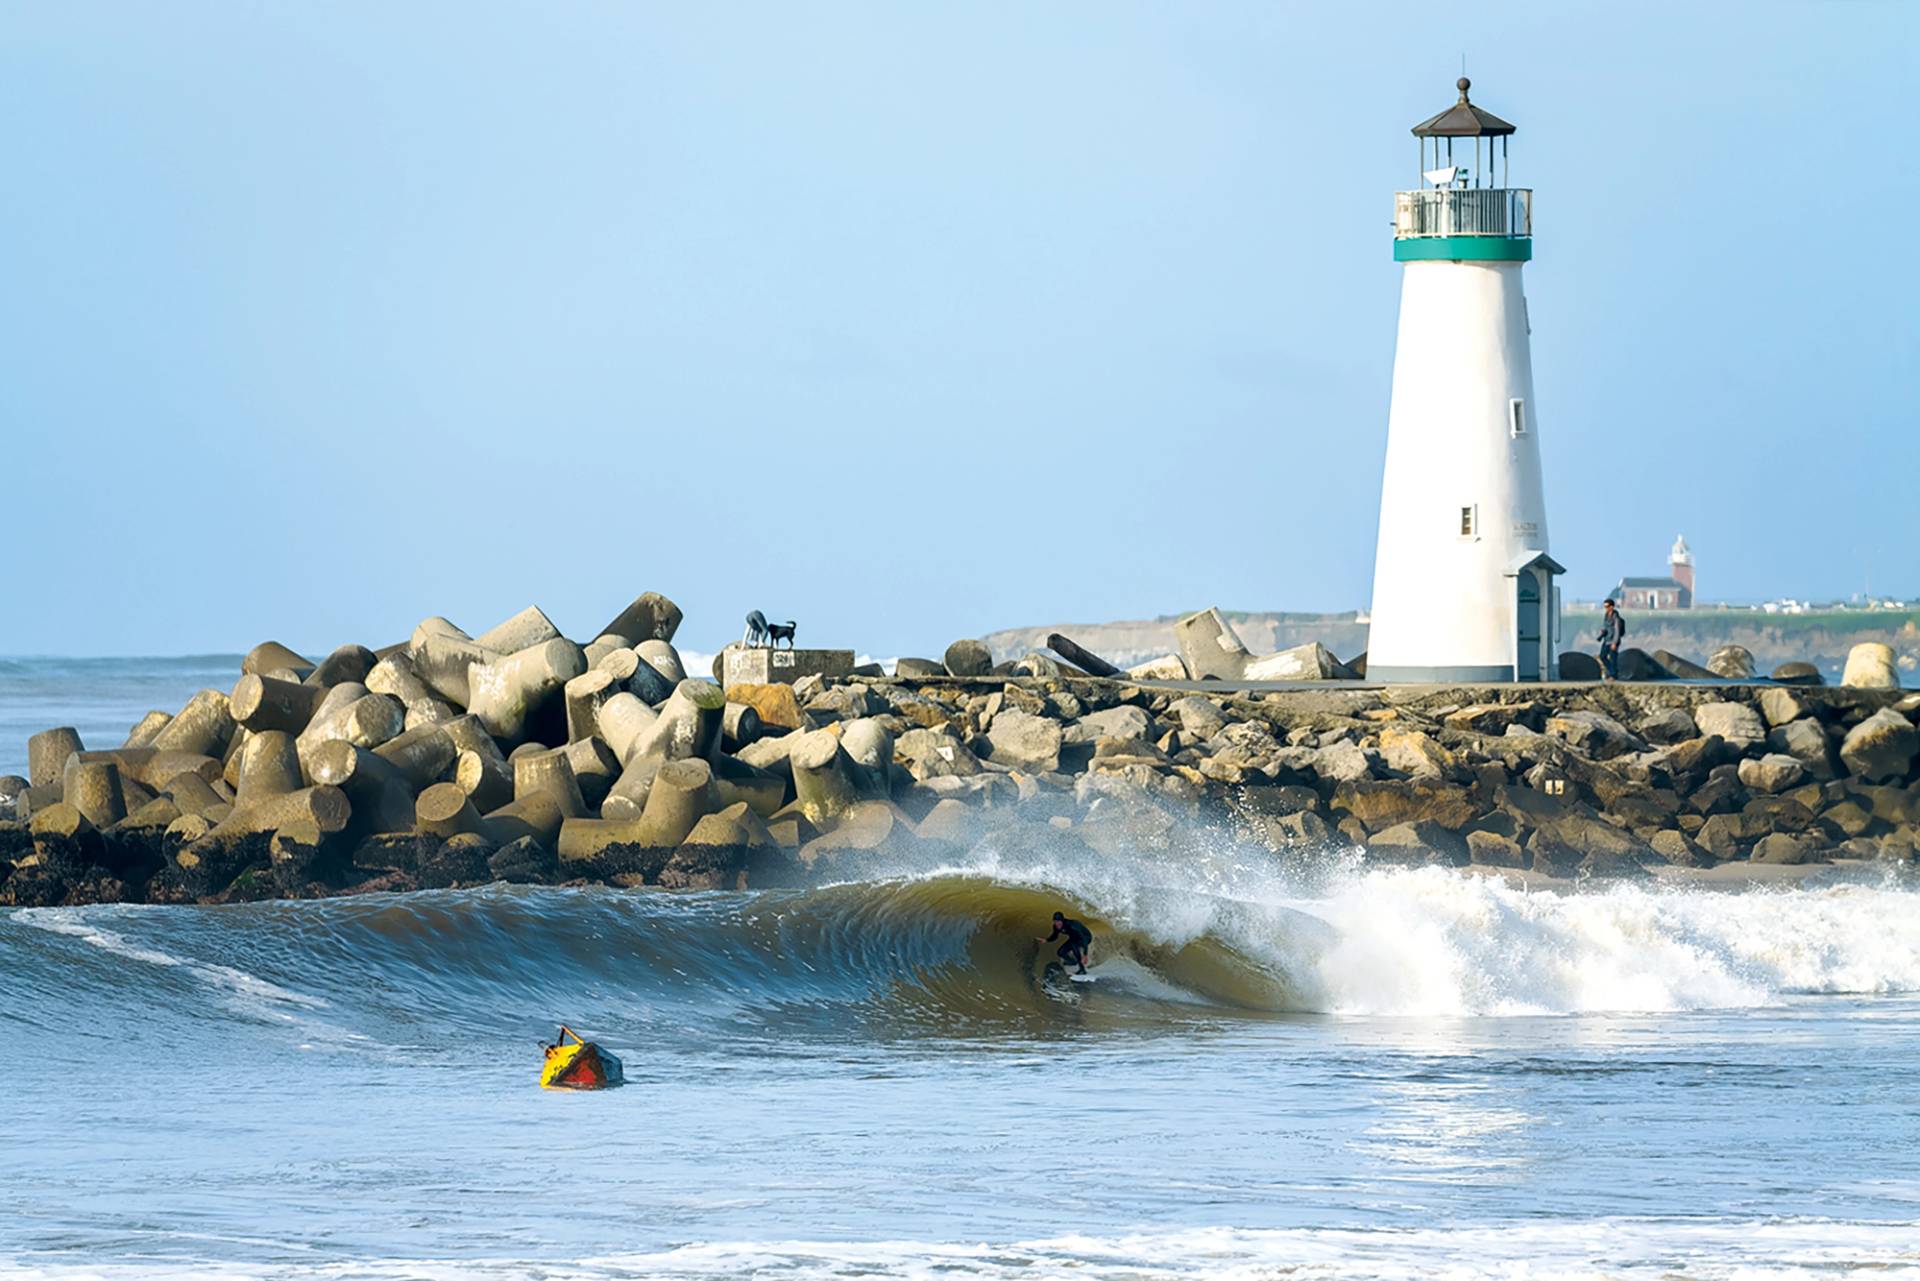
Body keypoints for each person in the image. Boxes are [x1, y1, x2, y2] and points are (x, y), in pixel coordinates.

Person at [1039, 911, 1093, 975]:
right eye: (1055, 921)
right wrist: (1046, 940)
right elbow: (1055, 936)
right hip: (1074, 938)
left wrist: (1085, 954)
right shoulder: (1056, 926)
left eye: (1059, 921)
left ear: (1062, 920)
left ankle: (1082, 969)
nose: (1057, 923)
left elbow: (1083, 938)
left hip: (1086, 937)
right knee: (1060, 952)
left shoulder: (1072, 925)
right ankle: (1073, 962)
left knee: (1074, 945)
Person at [1597, 598, 1626, 682]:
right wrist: (1602, 632)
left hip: (1613, 640)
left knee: (1613, 658)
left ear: (1612, 607)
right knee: (1602, 656)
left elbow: (1617, 630)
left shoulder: (1616, 617)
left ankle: (1613, 675)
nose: (1606, 608)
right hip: (1606, 640)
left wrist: (1614, 643)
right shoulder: (1606, 616)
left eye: (1607, 606)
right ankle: (1613, 672)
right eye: (1605, 606)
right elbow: (1605, 627)